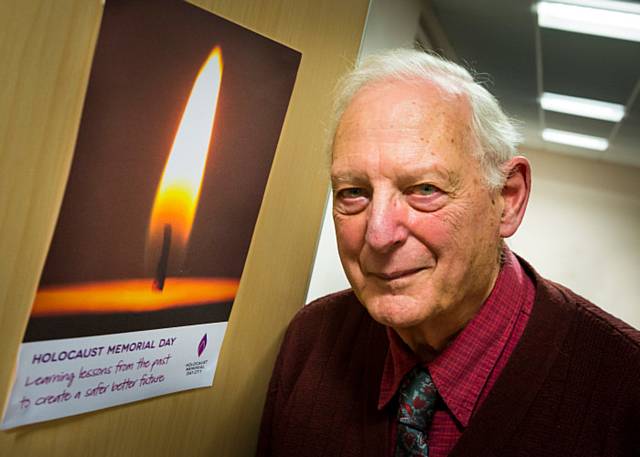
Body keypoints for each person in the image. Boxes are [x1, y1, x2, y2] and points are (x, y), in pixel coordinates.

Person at [256, 49, 640, 457]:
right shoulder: (311, 342)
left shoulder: (624, 390)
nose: (379, 234)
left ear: (507, 199)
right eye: (354, 193)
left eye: (424, 189)